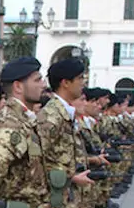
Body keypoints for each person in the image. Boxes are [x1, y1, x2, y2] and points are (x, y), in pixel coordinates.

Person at [0, 57, 50, 208]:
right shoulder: (9, 124)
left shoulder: (23, 119)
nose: (43, 85)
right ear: (18, 87)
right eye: (37, 80)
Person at [36, 59, 93, 207]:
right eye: (79, 78)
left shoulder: (65, 113)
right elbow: (37, 162)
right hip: (55, 197)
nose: (83, 83)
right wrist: (71, 178)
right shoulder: (50, 116)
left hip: (68, 197)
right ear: (65, 83)